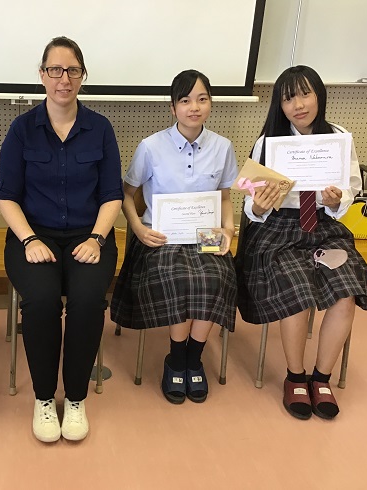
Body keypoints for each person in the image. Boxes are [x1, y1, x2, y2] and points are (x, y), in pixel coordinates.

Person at [0, 36, 123, 442]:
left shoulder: (100, 129)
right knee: (41, 300)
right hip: (33, 236)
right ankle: (44, 399)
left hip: (90, 236)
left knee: (87, 300)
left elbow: (112, 195)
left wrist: (98, 239)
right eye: (55, 70)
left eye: (72, 70)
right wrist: (29, 240)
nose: (63, 79)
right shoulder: (22, 129)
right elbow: (7, 197)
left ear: (83, 76)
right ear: (42, 75)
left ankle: (77, 398)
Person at [236, 65, 367, 420]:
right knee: (296, 286)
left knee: (346, 289)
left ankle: (322, 378)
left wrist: (336, 201)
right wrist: (258, 205)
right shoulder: (268, 143)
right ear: (279, 106)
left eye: (305, 94)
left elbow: (351, 190)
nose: (298, 105)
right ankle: (295, 377)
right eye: (288, 99)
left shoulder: (339, 137)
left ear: (319, 95)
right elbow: (251, 204)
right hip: (278, 229)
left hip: (324, 226)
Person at [110, 69, 238, 405]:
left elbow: (226, 197)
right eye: (185, 100)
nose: (194, 107)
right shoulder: (151, 146)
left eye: (202, 99)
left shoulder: (223, 147)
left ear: (210, 104)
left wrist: (228, 230)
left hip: (206, 234)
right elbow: (127, 194)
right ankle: (176, 358)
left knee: (217, 276)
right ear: (173, 107)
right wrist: (138, 229)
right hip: (162, 234)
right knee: (180, 278)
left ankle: (193, 359)